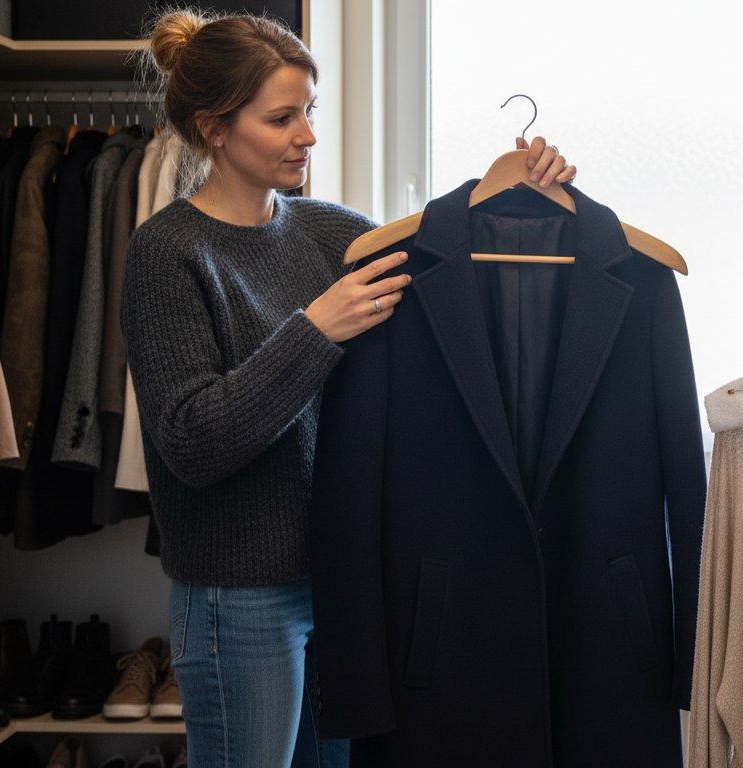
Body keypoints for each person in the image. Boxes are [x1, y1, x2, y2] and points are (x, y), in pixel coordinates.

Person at [119, 8, 577, 768]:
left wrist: (528, 190)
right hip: (238, 601)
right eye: (282, 117)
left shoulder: (330, 233)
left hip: (342, 580)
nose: (308, 135)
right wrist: (316, 331)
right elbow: (192, 443)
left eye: (310, 111)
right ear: (214, 128)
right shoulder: (167, 252)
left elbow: (453, 261)